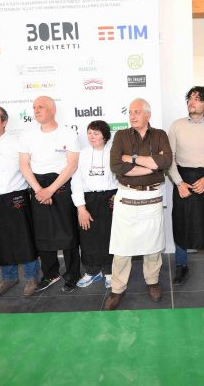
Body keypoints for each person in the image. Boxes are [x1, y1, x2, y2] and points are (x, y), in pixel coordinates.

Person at [105, 98, 172, 310]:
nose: (132, 116)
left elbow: (166, 162)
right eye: (130, 112)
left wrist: (132, 158)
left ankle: (152, 281)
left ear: (148, 114)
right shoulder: (121, 135)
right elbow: (116, 166)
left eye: (137, 112)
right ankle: (117, 289)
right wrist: (151, 166)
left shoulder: (160, 135)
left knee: (153, 246)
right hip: (127, 195)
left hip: (152, 197)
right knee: (122, 247)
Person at [19, 96, 81, 293]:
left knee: (68, 233)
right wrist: (39, 190)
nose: (36, 110)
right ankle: (50, 273)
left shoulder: (68, 133)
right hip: (37, 188)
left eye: (41, 107)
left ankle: (72, 274)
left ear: (53, 109)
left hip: (60, 186)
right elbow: (24, 165)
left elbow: (72, 165)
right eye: (34, 107)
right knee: (43, 233)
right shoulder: (27, 135)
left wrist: (51, 190)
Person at [0, 105, 39, 297]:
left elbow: (29, 168)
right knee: (0, 240)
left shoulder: (18, 143)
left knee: (24, 239)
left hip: (16, 196)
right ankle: (9, 278)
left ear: (4, 122)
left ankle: (32, 277)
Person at [168, 86, 204, 289]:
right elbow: (169, 158)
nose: (192, 102)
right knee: (181, 224)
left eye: (198, 99)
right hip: (182, 180)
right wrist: (178, 182)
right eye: (190, 98)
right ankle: (181, 266)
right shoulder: (176, 125)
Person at [70, 120, 119, 289]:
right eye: (89, 133)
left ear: (105, 136)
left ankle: (110, 272)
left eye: (96, 133)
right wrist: (81, 208)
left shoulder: (114, 152)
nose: (91, 136)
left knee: (109, 235)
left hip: (110, 198)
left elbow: (120, 178)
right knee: (88, 236)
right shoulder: (82, 154)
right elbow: (76, 182)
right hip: (88, 199)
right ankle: (92, 271)